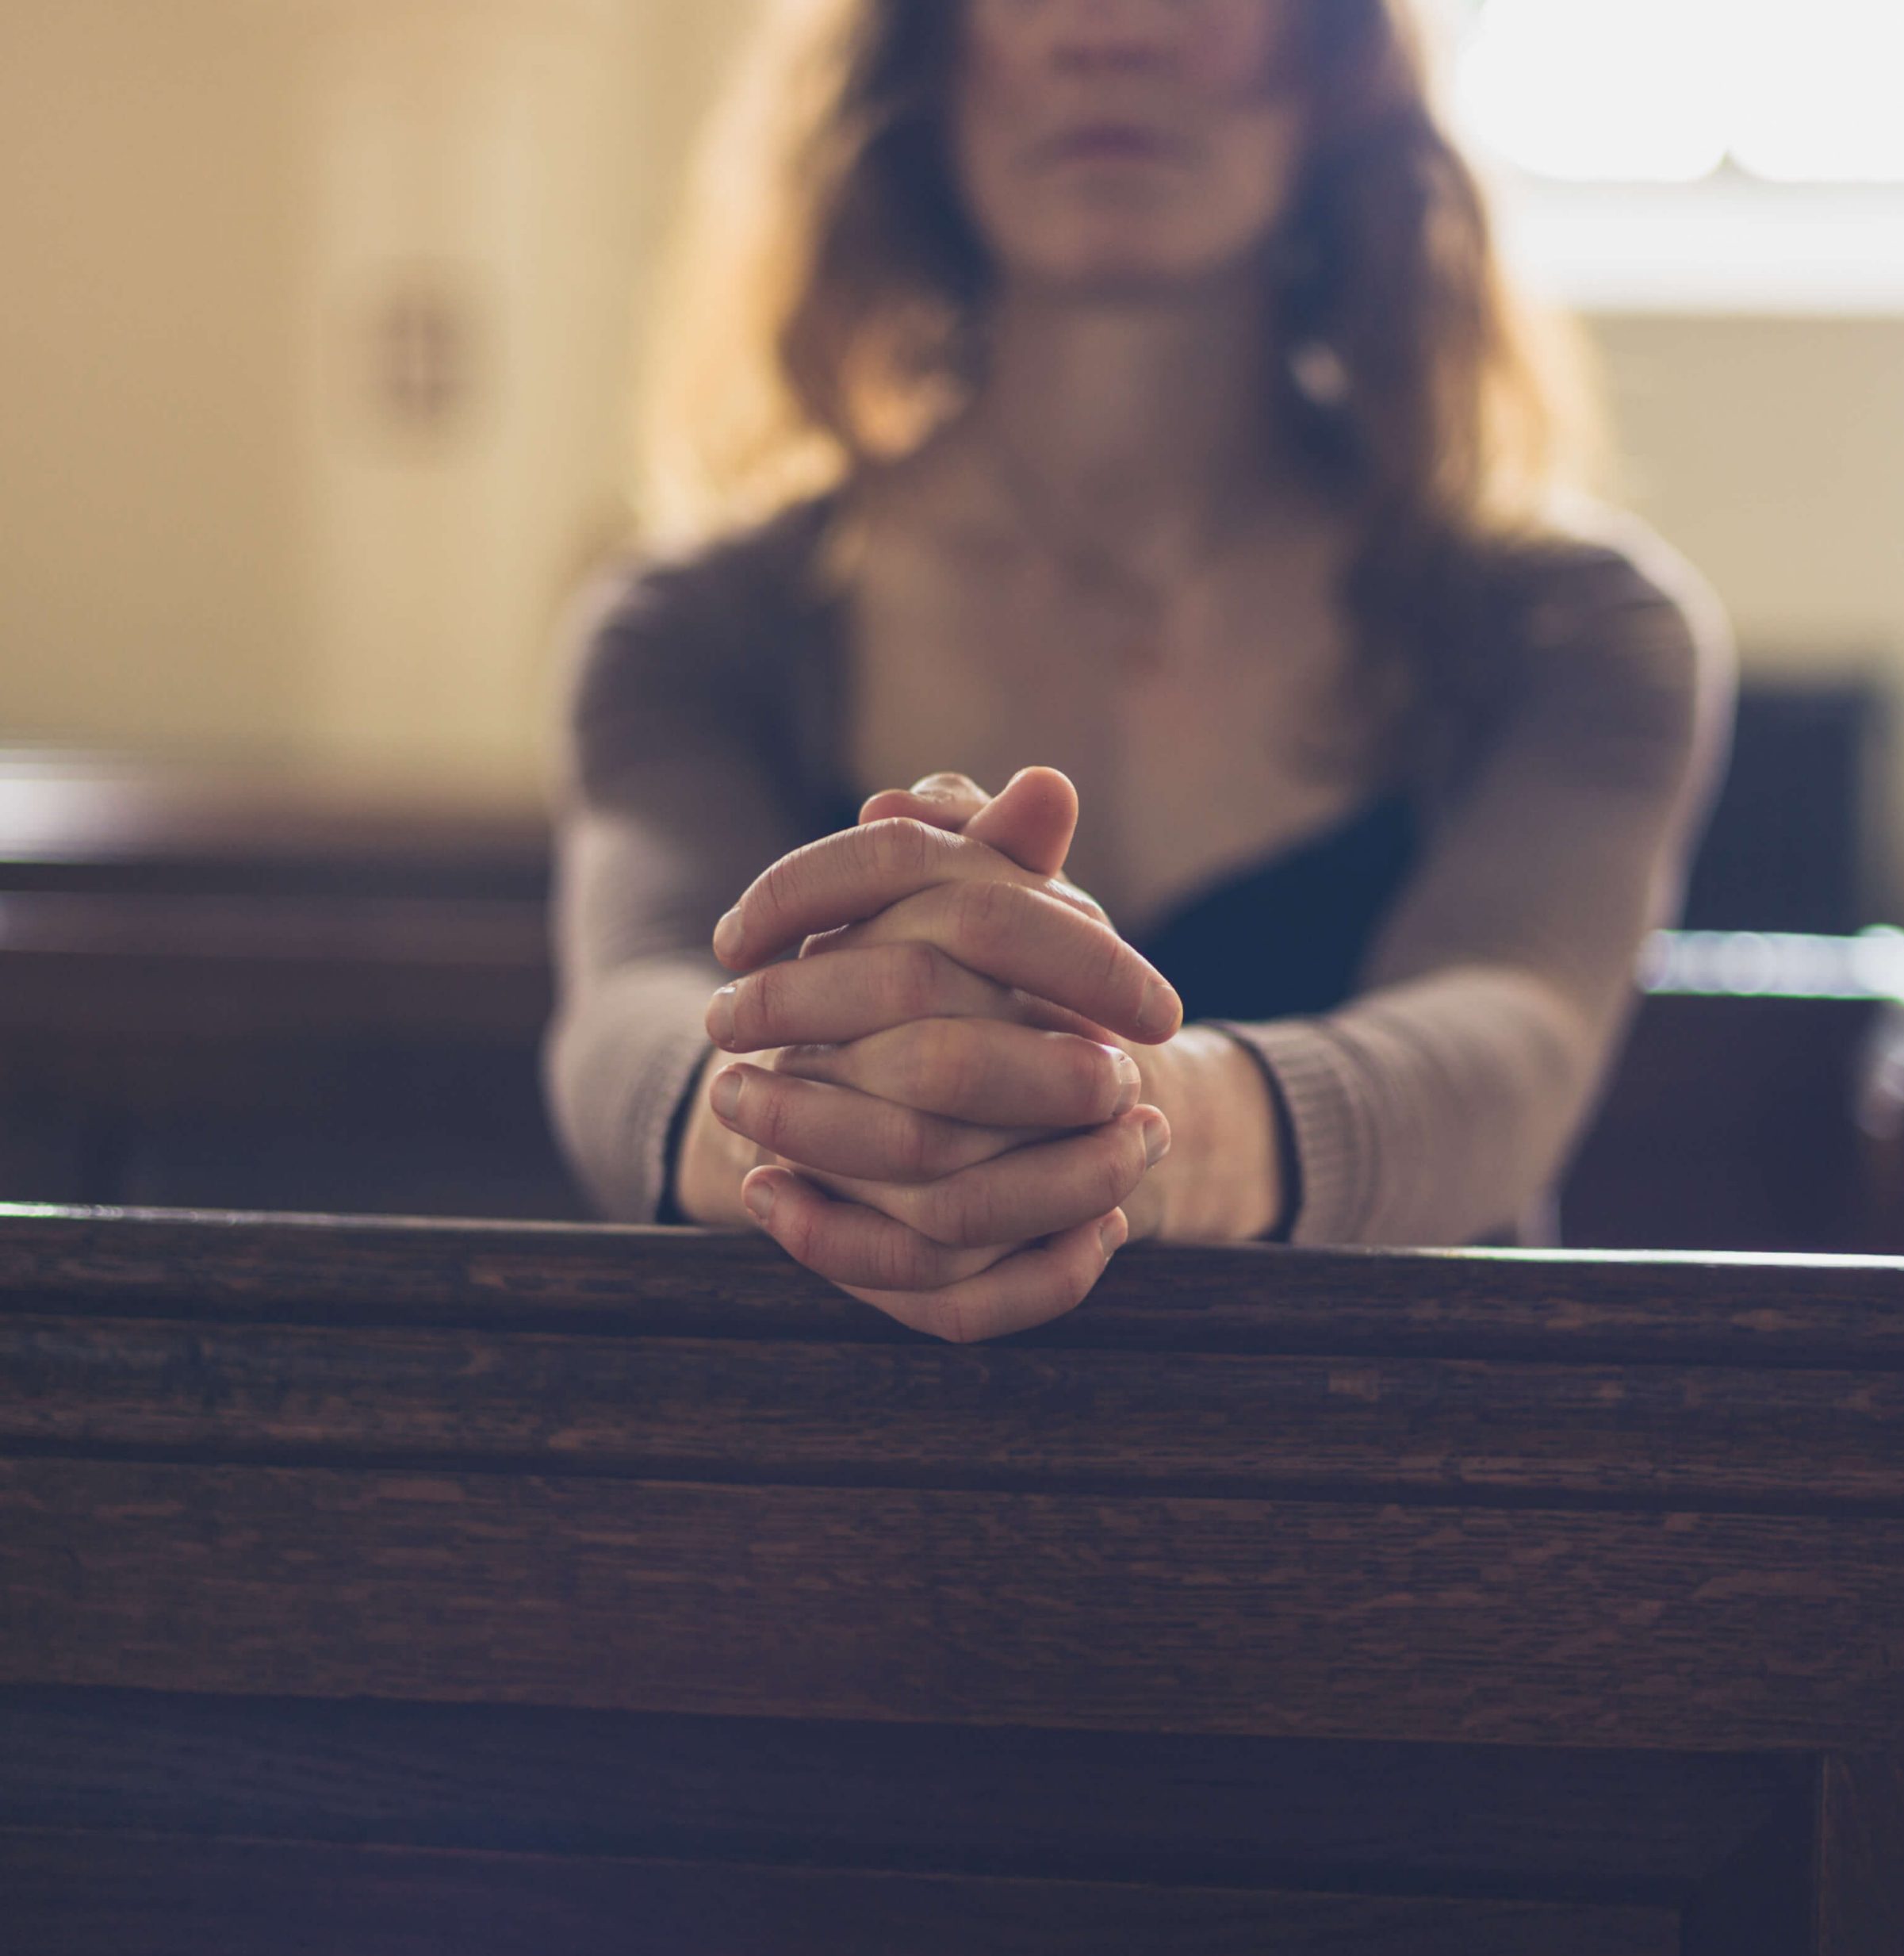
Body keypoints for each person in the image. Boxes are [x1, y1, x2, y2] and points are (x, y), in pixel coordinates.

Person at [543, 0, 1735, 1342]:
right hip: (819, 1495)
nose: (1105, 34)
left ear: (1336, 62)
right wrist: (812, 1129)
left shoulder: (1569, 629)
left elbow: (1515, 1046)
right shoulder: (692, 624)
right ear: (925, 55)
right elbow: (626, 1023)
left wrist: (1132, 1133)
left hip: (1394, 1487)